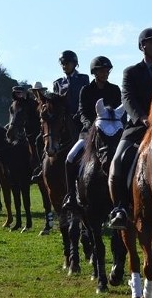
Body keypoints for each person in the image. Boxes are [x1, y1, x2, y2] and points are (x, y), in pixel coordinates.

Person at [108, 27, 152, 230]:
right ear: (142, 46)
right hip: (139, 126)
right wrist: (143, 118)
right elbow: (127, 98)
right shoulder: (131, 72)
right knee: (118, 161)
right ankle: (120, 208)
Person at [62, 56, 121, 210]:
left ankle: (124, 199)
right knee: (70, 157)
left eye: (107, 70)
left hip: (112, 133)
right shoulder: (86, 90)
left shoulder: (114, 89)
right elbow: (82, 112)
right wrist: (91, 125)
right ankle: (71, 196)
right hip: (89, 132)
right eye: (102, 70)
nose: (106, 73)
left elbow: (119, 112)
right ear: (95, 72)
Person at [52, 50, 90, 138]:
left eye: (67, 63)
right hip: (63, 120)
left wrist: (78, 115)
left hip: (81, 119)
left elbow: (86, 100)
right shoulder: (57, 83)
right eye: (62, 64)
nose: (64, 66)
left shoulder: (83, 79)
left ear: (74, 64)